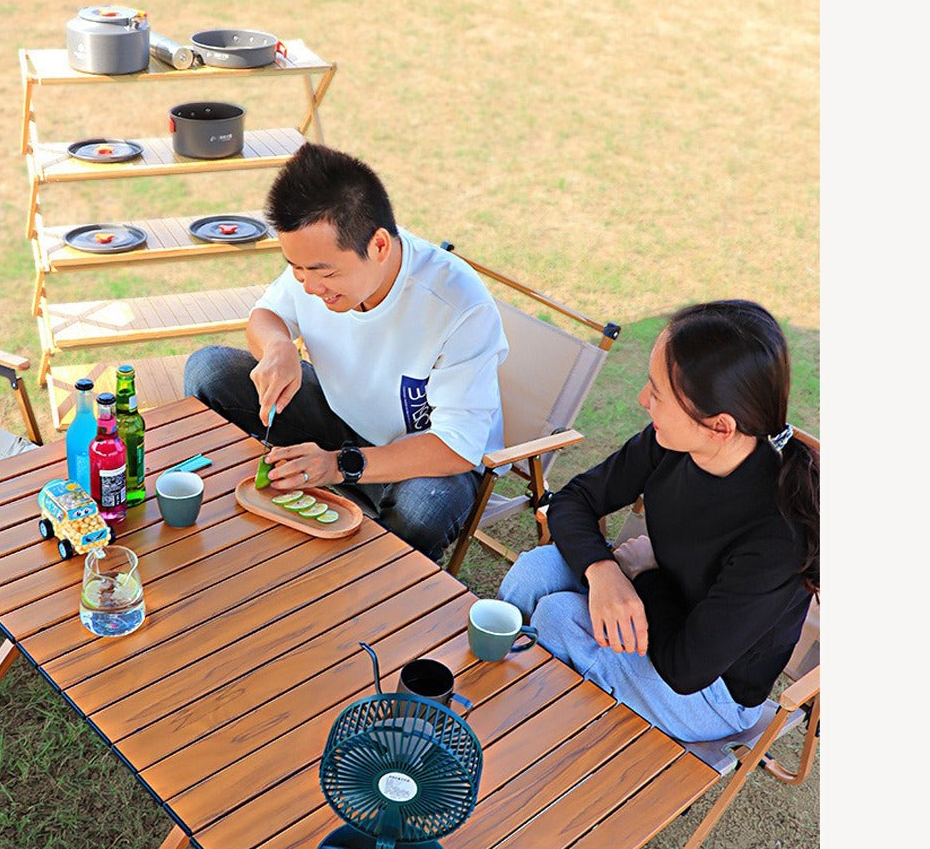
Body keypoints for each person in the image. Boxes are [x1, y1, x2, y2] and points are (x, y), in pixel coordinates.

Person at [497, 299, 818, 744]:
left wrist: (645, 575)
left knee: (557, 615)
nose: (642, 400)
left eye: (658, 393)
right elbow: (574, 500)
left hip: (710, 690)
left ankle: (535, 729)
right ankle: (499, 689)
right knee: (535, 571)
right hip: (656, 607)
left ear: (720, 427)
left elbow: (687, 669)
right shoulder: (670, 441)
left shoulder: (777, 535)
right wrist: (605, 571)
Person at [184, 142, 509, 561]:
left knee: (424, 509)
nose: (309, 287)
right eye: (296, 268)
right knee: (209, 369)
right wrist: (278, 346)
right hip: (340, 418)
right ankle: (257, 507)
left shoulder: (459, 306)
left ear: (378, 246)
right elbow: (266, 315)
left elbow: (456, 447)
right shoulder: (316, 258)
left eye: (324, 273)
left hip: (421, 458)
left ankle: (367, 581)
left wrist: (339, 465)